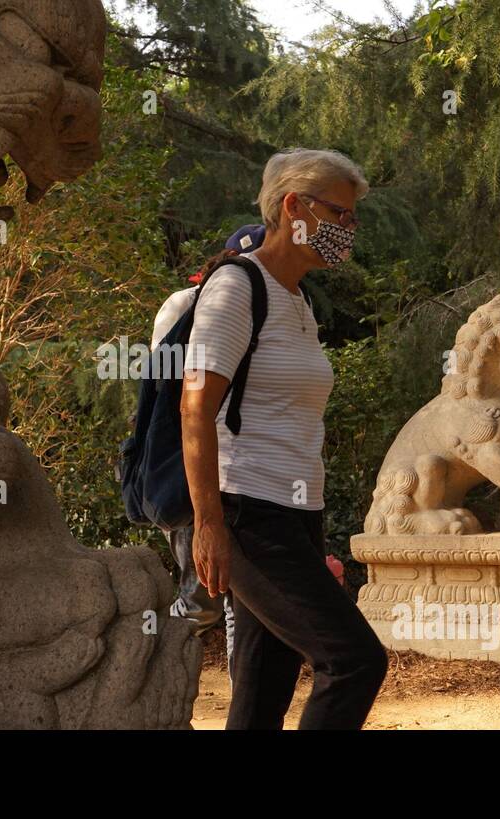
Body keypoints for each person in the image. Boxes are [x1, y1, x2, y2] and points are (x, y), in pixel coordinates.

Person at [181, 148, 388, 730]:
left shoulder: (295, 298)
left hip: (295, 515)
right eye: (339, 214)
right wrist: (208, 524)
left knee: (262, 692)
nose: (349, 229)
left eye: (353, 218)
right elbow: (194, 408)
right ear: (293, 206)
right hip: (247, 513)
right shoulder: (235, 287)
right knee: (354, 661)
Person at [154, 225, 265, 684]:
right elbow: (167, 395)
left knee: (246, 601)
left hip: (249, 478)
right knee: (201, 600)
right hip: (197, 476)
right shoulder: (186, 304)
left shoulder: (276, 304)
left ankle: (244, 698)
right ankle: (149, 671)